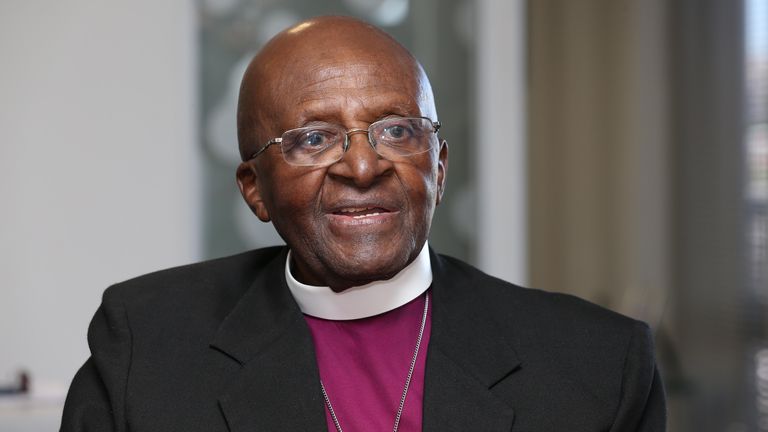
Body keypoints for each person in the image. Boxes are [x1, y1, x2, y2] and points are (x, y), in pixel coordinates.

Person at [61, 15, 666, 432]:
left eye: (397, 130)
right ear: (255, 190)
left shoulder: (597, 362)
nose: (362, 164)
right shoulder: (145, 344)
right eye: (314, 138)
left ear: (439, 164)